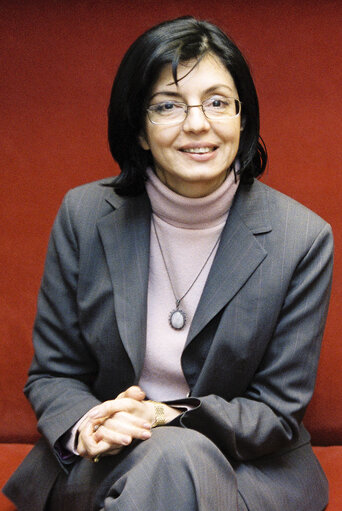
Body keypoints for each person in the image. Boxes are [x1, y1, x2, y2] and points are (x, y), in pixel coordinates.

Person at [3, 16, 333, 511]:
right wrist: (90, 423)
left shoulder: (302, 238)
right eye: (167, 105)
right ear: (138, 128)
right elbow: (54, 373)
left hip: (245, 468)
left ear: (243, 119)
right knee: (172, 467)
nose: (198, 123)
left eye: (218, 102)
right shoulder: (84, 215)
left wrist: (162, 418)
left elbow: (276, 413)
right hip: (107, 460)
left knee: (179, 459)